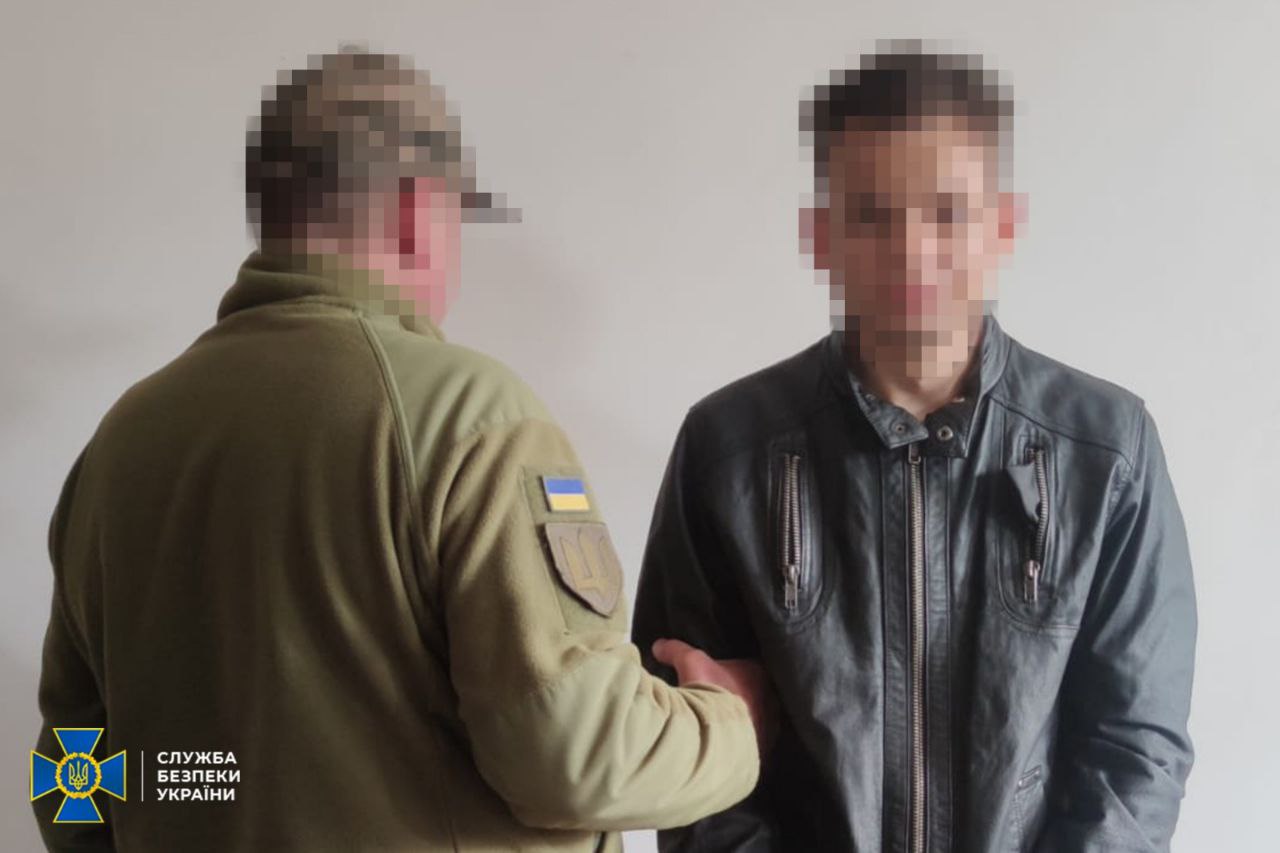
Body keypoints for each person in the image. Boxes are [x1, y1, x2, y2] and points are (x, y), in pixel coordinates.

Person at [31, 47, 770, 852]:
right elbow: (576, 756)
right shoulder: (470, 416)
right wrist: (732, 721)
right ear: (420, 211)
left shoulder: (119, 444)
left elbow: (74, 779)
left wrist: (206, 791)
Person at [633, 44, 1196, 852]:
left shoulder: (1106, 450)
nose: (912, 248)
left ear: (1003, 226)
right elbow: (686, 751)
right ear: (820, 236)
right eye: (871, 213)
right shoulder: (728, 449)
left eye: (947, 211)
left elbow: (1135, 749)